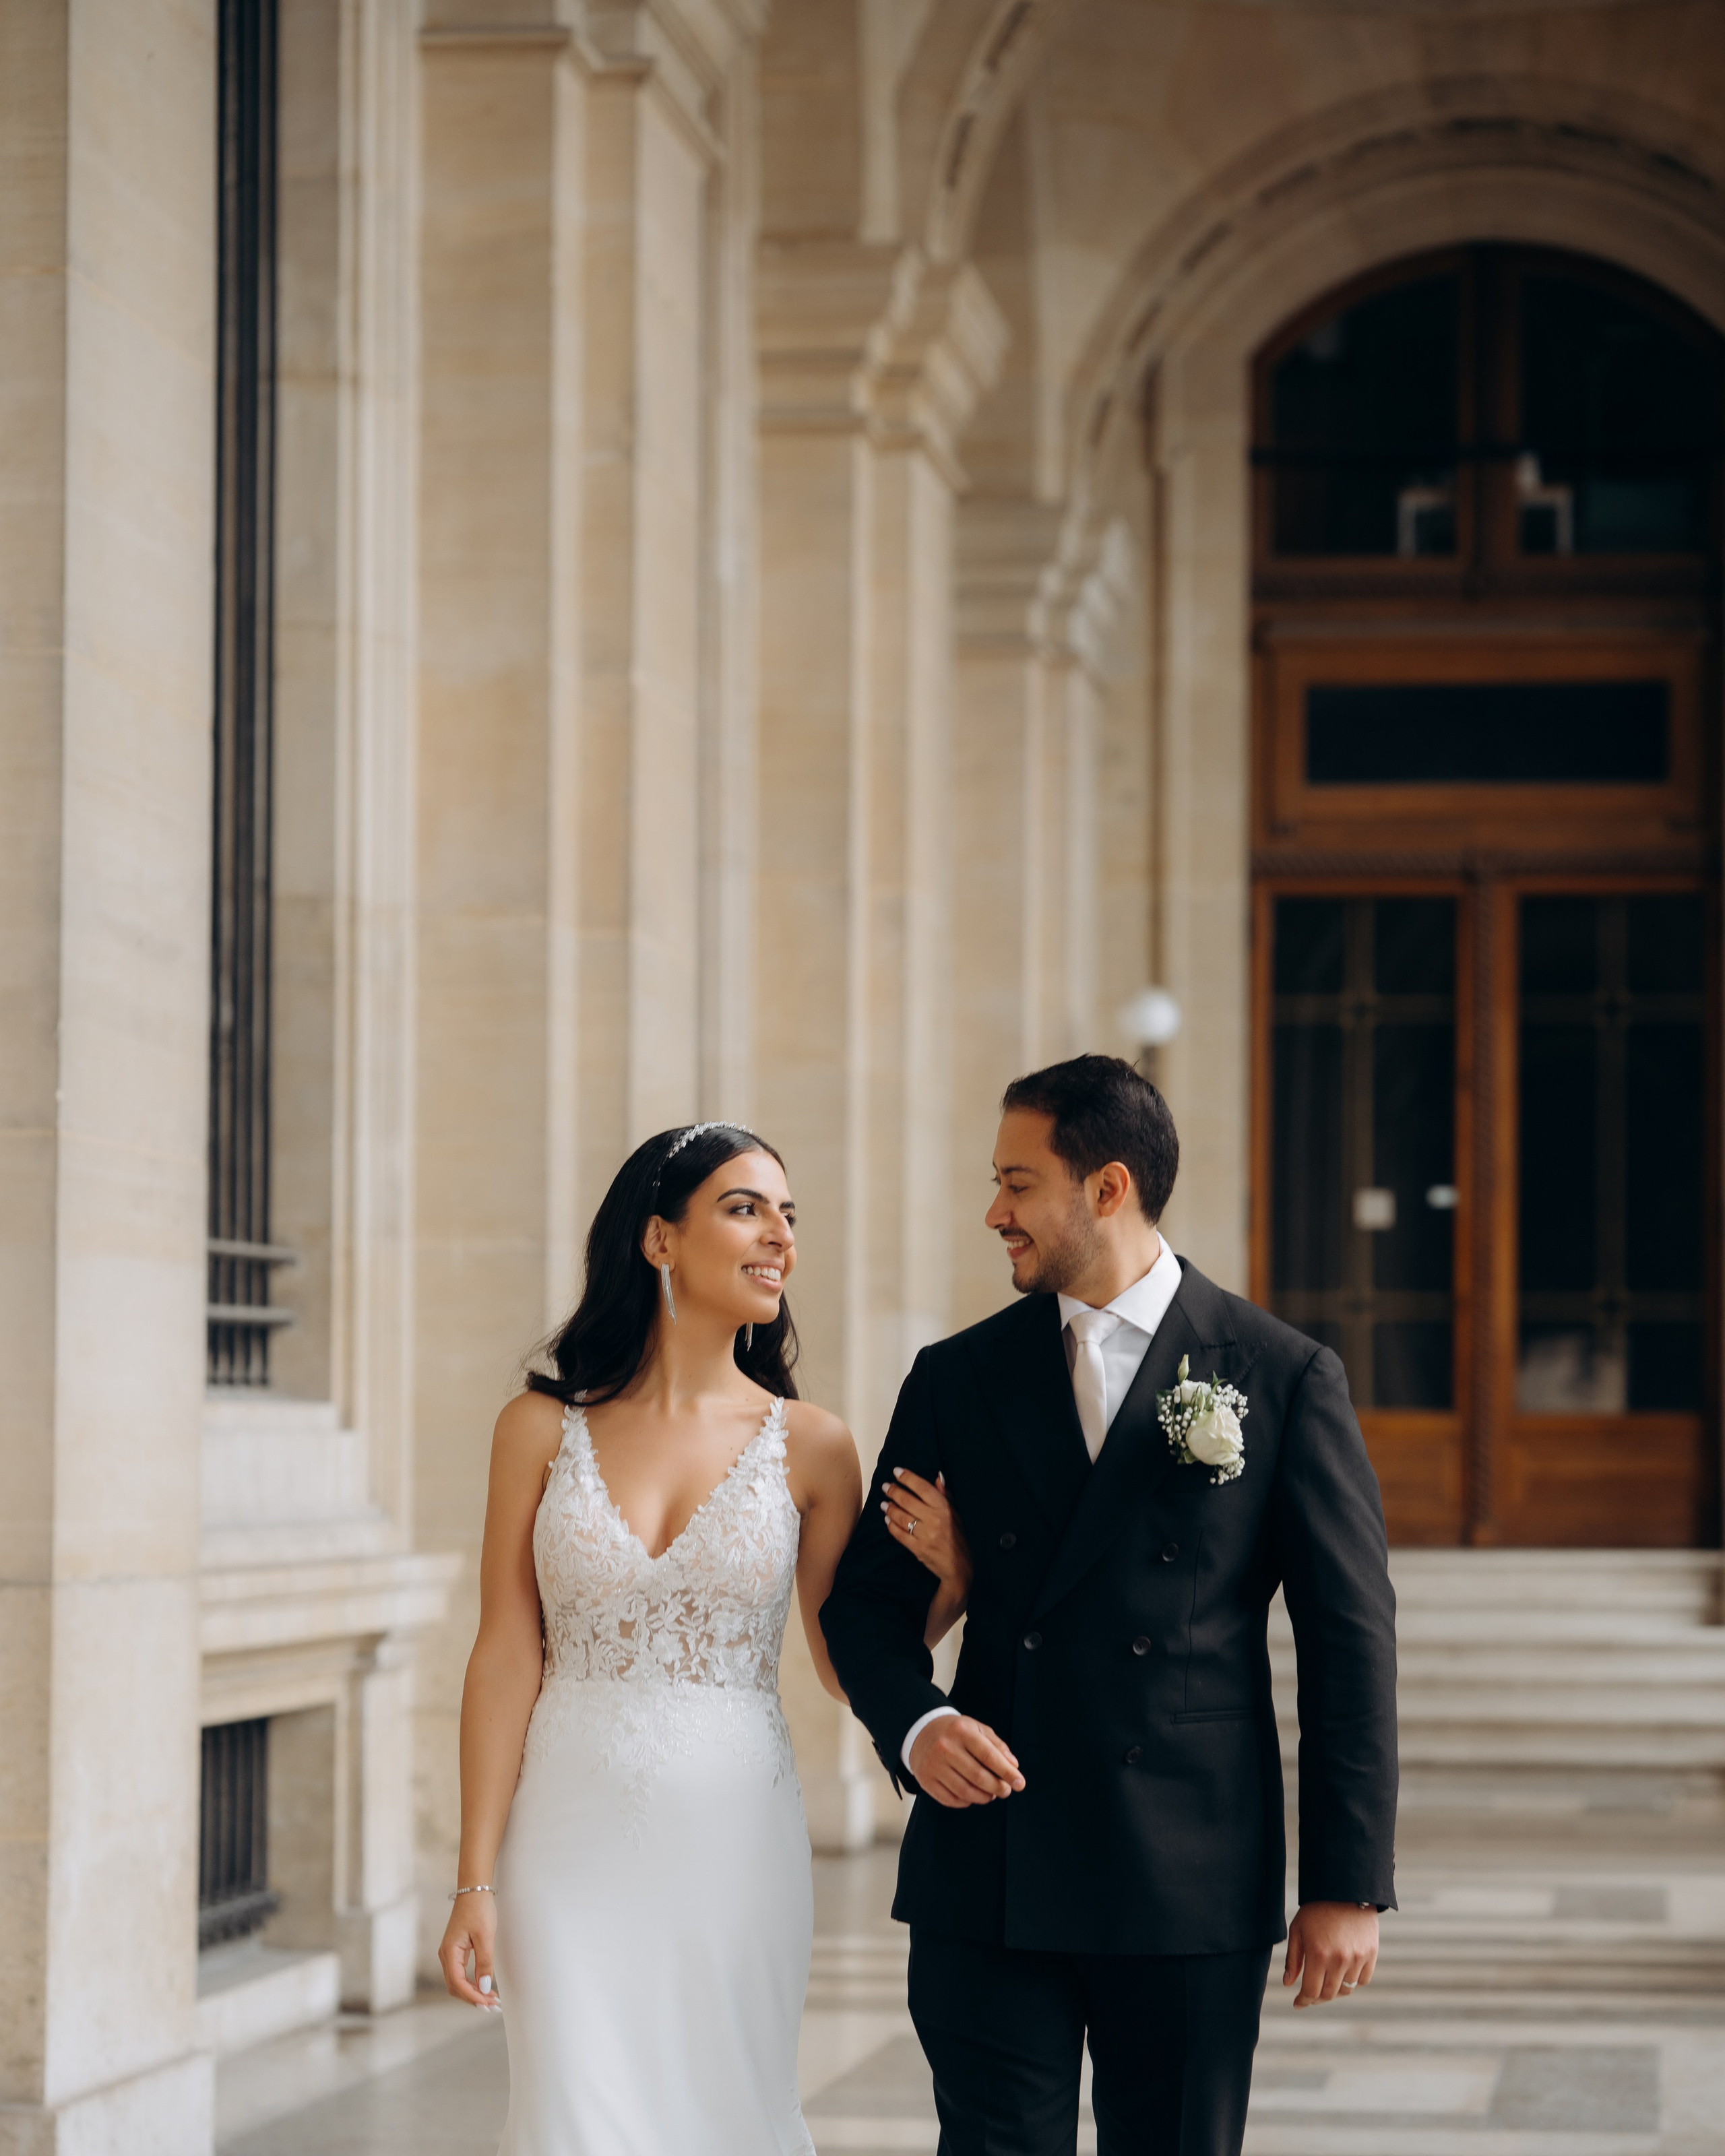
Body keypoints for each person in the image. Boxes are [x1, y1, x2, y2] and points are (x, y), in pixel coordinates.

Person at [821, 1055, 1399, 2156]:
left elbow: (1350, 1648)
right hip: (990, 1868)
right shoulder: (956, 1378)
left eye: (1016, 1182)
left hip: (1185, 1873)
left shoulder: (1280, 1375)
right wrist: (917, 1720)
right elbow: (865, 1605)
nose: (994, 1213)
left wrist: (1347, 1885)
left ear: (1107, 1187)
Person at [436, 1122, 972, 2155]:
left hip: (735, 1843)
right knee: (571, 2125)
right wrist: (474, 1878)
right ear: (658, 1241)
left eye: (788, 1215)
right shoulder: (537, 1429)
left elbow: (838, 1660)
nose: (780, 1237)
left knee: (726, 2119)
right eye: (745, 1207)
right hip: (563, 1838)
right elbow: (506, 1651)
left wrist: (953, 1586)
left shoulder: (812, 1445)